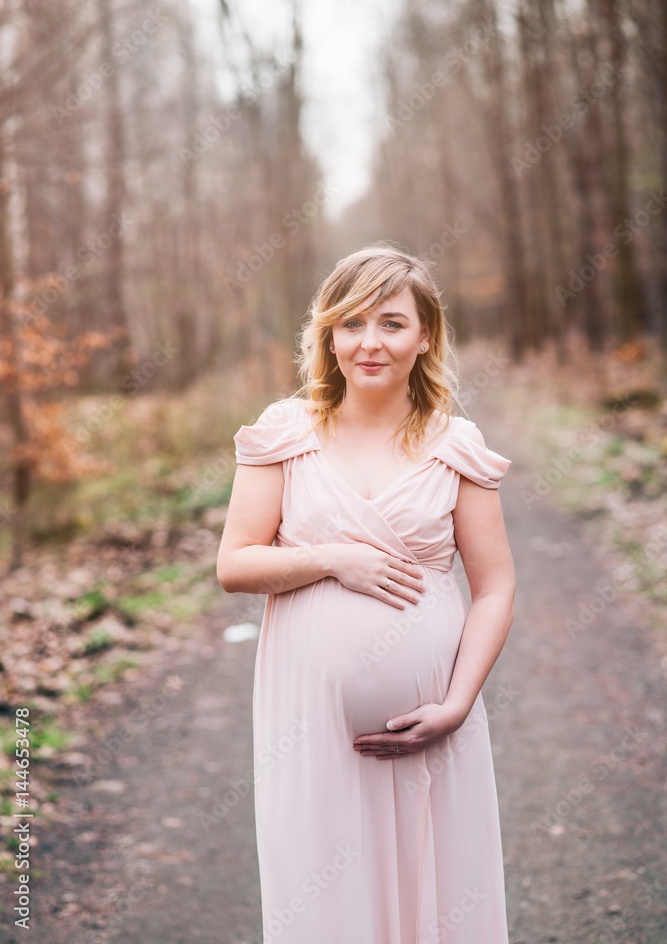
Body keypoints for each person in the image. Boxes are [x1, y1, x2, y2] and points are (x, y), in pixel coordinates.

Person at [217, 244, 515, 944]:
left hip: (434, 722)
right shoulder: (286, 433)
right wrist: (331, 560)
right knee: (323, 892)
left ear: (425, 337)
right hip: (309, 723)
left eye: (391, 323)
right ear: (329, 336)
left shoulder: (455, 444)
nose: (369, 342)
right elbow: (234, 564)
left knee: (437, 892)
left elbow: (495, 585)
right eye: (351, 323)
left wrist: (456, 704)